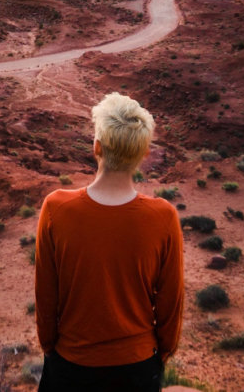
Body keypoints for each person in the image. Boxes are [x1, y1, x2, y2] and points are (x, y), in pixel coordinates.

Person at [35, 92, 184, 392]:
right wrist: (159, 356)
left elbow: (46, 293)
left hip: (71, 365)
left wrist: (50, 347)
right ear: (143, 154)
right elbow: (171, 302)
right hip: (137, 368)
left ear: (97, 147)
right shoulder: (163, 217)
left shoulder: (56, 209)